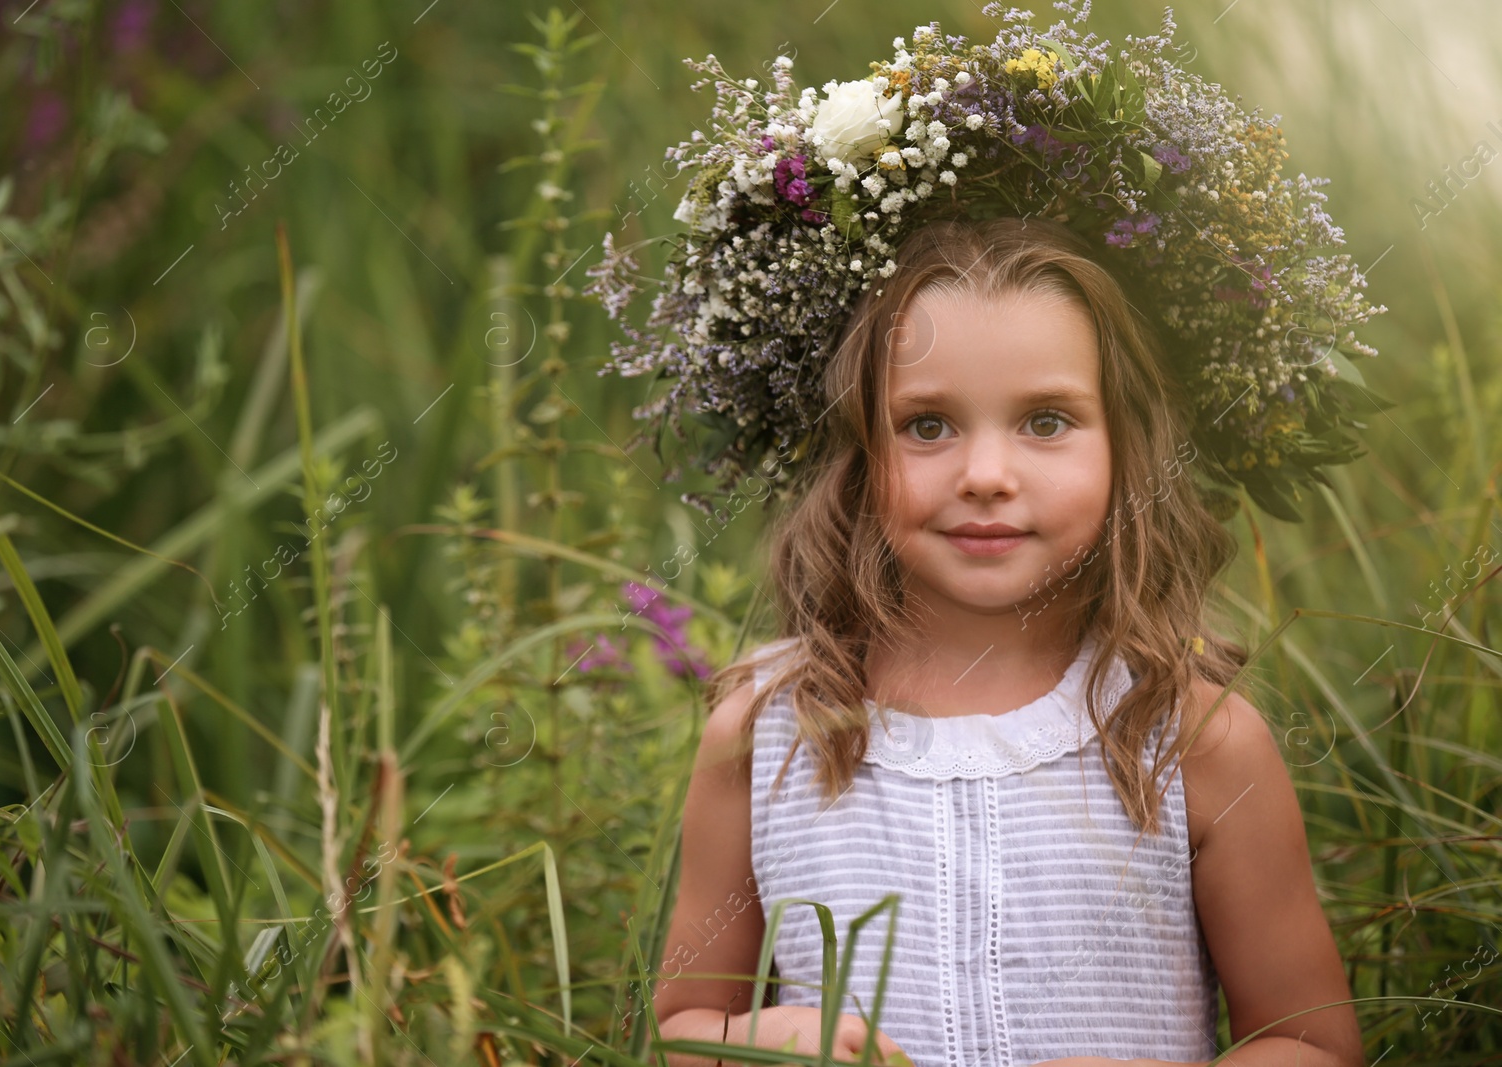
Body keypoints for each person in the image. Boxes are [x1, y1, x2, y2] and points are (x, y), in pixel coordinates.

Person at [586, 10, 1381, 1066]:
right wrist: (765, 1041)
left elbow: (1312, 1045)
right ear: (860, 453)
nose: (986, 472)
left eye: (1045, 419)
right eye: (927, 424)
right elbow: (685, 1021)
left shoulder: (1193, 738)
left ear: (1124, 447)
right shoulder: (768, 732)